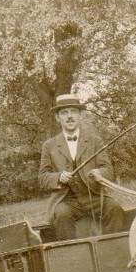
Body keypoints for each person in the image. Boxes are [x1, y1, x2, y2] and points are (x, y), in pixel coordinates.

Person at [38, 94, 124, 240]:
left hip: (94, 197)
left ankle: (110, 252)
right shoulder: (49, 145)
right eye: (64, 112)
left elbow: (108, 170)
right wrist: (59, 177)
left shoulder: (94, 140)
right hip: (66, 201)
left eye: (73, 111)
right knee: (62, 215)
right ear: (57, 118)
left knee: (114, 208)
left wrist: (99, 173)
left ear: (80, 115)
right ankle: (74, 258)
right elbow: (43, 178)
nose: (69, 116)